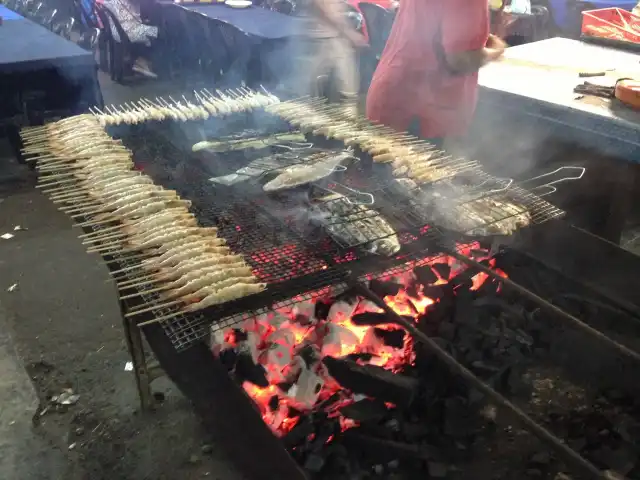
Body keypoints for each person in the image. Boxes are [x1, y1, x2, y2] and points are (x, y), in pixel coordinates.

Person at [365, 0, 506, 149]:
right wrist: (496, 52)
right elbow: (460, 60)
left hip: (394, 93)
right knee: (406, 169)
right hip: (421, 111)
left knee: (383, 169)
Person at [295, 0, 367, 111]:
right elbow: (323, 6)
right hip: (322, 38)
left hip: (330, 36)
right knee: (310, 98)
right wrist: (349, 32)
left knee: (346, 96)